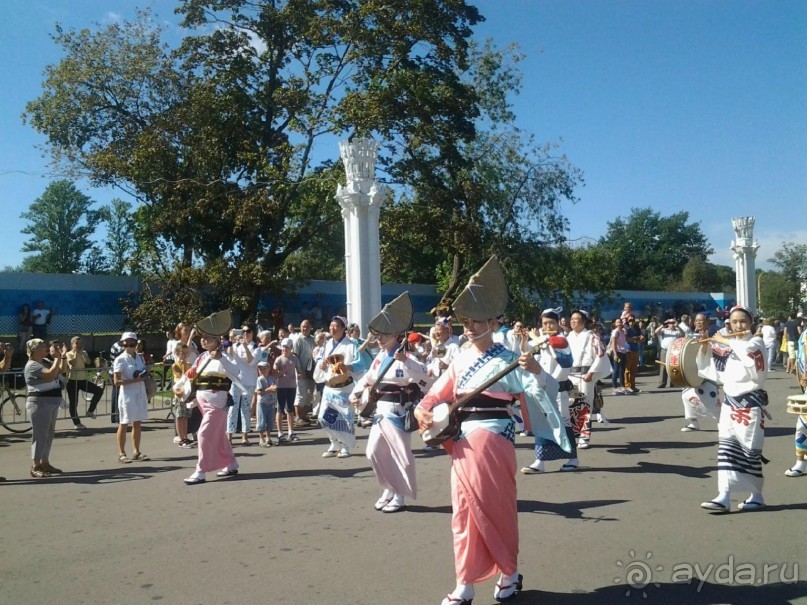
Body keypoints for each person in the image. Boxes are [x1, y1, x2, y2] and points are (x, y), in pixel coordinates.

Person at [414, 257, 569, 605]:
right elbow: (436, 393)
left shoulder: (508, 359)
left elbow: (540, 391)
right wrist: (423, 409)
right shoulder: (461, 357)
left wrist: (535, 369)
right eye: (467, 322)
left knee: (495, 508)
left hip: (493, 436)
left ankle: (509, 572)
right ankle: (465, 582)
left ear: (494, 322)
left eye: (478, 321)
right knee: (463, 512)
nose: (470, 328)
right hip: (461, 438)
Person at [350, 292, 428, 513]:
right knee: (373, 452)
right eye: (378, 335)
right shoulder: (379, 356)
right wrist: (355, 392)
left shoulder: (408, 358)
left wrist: (407, 363)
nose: (379, 339)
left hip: (398, 409)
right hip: (380, 410)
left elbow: (425, 380)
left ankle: (400, 494)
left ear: (396, 335)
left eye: (383, 334)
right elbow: (368, 378)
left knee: (400, 454)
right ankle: (388, 487)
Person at [697, 306, 769, 513]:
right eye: (734, 322)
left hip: (749, 406)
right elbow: (713, 371)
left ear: (751, 323)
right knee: (726, 449)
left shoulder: (756, 343)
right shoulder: (729, 346)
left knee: (749, 451)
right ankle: (724, 495)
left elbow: (753, 362)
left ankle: (756, 495)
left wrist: (724, 340)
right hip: (729, 405)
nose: (739, 326)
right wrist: (705, 349)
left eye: (743, 322)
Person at [175, 310, 242, 485]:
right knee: (218, 435)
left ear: (217, 340)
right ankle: (231, 463)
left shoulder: (224, 357)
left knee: (204, 434)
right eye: (202, 337)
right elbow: (190, 374)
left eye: (208, 338)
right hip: (203, 402)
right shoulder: (202, 357)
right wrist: (178, 386)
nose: (203, 340)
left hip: (217, 404)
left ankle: (201, 471)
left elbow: (236, 371)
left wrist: (221, 358)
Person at [521, 307, 579, 474]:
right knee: (542, 424)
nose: (547, 326)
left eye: (551, 323)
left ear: (558, 324)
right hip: (543, 389)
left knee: (563, 424)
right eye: (545, 323)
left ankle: (573, 458)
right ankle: (540, 461)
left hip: (559, 390)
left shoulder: (561, 340)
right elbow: (528, 354)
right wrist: (525, 341)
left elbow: (565, 361)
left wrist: (537, 339)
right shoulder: (543, 340)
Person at [313, 316, 358, 458]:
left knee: (345, 417)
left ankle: (345, 446)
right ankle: (334, 442)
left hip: (344, 387)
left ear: (343, 328)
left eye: (336, 326)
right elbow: (319, 356)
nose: (332, 329)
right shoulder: (326, 345)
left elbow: (361, 363)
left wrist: (347, 366)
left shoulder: (350, 345)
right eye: (331, 326)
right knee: (323, 417)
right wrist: (321, 362)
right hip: (329, 387)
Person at [566, 309, 611, 450]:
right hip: (572, 376)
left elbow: (600, 354)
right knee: (573, 404)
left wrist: (591, 372)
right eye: (571, 318)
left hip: (586, 375)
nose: (573, 321)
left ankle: (584, 436)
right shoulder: (569, 336)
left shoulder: (592, 336)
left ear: (584, 321)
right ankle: (575, 433)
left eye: (576, 319)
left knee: (585, 405)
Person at [24, 339, 63, 478]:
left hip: (51, 403)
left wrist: (61, 357)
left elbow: (62, 370)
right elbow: (51, 374)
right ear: (33, 350)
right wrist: (58, 358)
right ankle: (35, 465)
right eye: (42, 346)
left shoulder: (45, 361)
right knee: (40, 435)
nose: (45, 348)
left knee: (48, 434)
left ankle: (45, 463)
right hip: (39, 403)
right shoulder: (32, 365)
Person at [113, 332, 150, 464]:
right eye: (125, 344)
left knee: (137, 423)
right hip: (127, 394)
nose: (128, 346)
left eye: (131, 343)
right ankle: (122, 453)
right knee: (124, 423)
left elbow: (143, 372)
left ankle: (136, 451)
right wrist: (135, 380)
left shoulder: (140, 357)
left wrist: (145, 374)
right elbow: (116, 381)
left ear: (136, 344)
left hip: (140, 393)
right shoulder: (120, 359)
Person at [679, 313, 720, 432]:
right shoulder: (690, 335)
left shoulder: (714, 334)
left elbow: (713, 351)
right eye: (697, 320)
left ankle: (721, 421)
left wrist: (705, 343)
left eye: (701, 320)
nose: (699, 322)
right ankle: (694, 422)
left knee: (711, 397)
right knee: (687, 396)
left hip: (707, 370)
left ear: (707, 321)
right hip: (692, 372)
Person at [227, 325, 259, 446]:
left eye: (248, 331)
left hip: (249, 382)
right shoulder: (236, 345)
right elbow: (229, 356)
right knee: (232, 408)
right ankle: (229, 436)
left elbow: (251, 361)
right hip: (236, 381)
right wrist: (230, 339)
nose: (245, 334)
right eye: (243, 331)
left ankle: (245, 436)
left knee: (245, 409)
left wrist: (245, 346)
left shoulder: (256, 348)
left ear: (252, 333)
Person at [65, 335, 104, 428]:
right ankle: (77, 423)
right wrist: (76, 353)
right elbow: (72, 363)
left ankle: (90, 410)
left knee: (98, 391)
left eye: (81, 343)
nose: (79, 345)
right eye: (77, 344)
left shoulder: (84, 352)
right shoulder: (68, 354)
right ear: (72, 345)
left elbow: (88, 362)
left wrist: (83, 355)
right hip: (72, 381)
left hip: (82, 380)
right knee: (74, 403)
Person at [274, 338, 301, 443]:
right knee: (280, 409)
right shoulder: (279, 359)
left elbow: (299, 370)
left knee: (290, 409)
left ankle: (291, 432)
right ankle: (280, 433)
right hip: (281, 387)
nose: (284, 349)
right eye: (283, 347)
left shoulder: (294, 359)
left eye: (287, 347)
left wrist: (300, 375)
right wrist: (282, 372)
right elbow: (275, 373)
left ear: (291, 348)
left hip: (292, 387)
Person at [293, 319, 316, 426]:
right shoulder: (298, 340)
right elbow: (295, 357)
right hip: (301, 372)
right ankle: (298, 417)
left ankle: (304, 416)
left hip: (312, 373)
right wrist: (300, 371)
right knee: (301, 395)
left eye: (306, 326)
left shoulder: (313, 339)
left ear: (311, 327)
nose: (304, 329)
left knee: (309, 395)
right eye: (303, 326)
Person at [171, 343, 194, 448]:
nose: (184, 355)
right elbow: (182, 377)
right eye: (182, 353)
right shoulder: (175, 365)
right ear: (177, 353)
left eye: (186, 353)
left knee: (186, 417)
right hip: (179, 393)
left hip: (187, 393)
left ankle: (185, 436)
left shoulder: (189, 364)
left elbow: (191, 377)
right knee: (180, 416)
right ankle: (181, 437)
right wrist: (184, 365)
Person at [255, 361, 278, 447]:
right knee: (262, 421)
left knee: (270, 421)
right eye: (260, 369)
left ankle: (268, 438)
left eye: (264, 368)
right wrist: (270, 389)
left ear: (269, 369)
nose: (262, 370)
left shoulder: (272, 378)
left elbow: (274, 387)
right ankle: (261, 439)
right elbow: (259, 392)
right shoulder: (260, 379)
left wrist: (274, 388)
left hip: (271, 402)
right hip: (262, 403)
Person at [655, 319, 682, 388]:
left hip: (673, 351)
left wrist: (678, 326)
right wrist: (663, 325)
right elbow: (656, 331)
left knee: (673, 366)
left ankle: (672, 382)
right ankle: (662, 382)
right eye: (670, 323)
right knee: (663, 366)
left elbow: (683, 334)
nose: (671, 324)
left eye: (673, 322)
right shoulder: (665, 330)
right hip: (664, 350)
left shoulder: (677, 331)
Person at [608, 317, 627, 395]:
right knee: (616, 370)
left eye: (620, 322)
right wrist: (615, 354)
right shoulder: (615, 332)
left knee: (622, 370)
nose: (619, 324)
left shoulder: (622, 332)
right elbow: (613, 344)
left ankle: (622, 386)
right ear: (615, 324)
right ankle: (614, 388)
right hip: (617, 353)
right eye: (618, 322)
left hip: (623, 352)